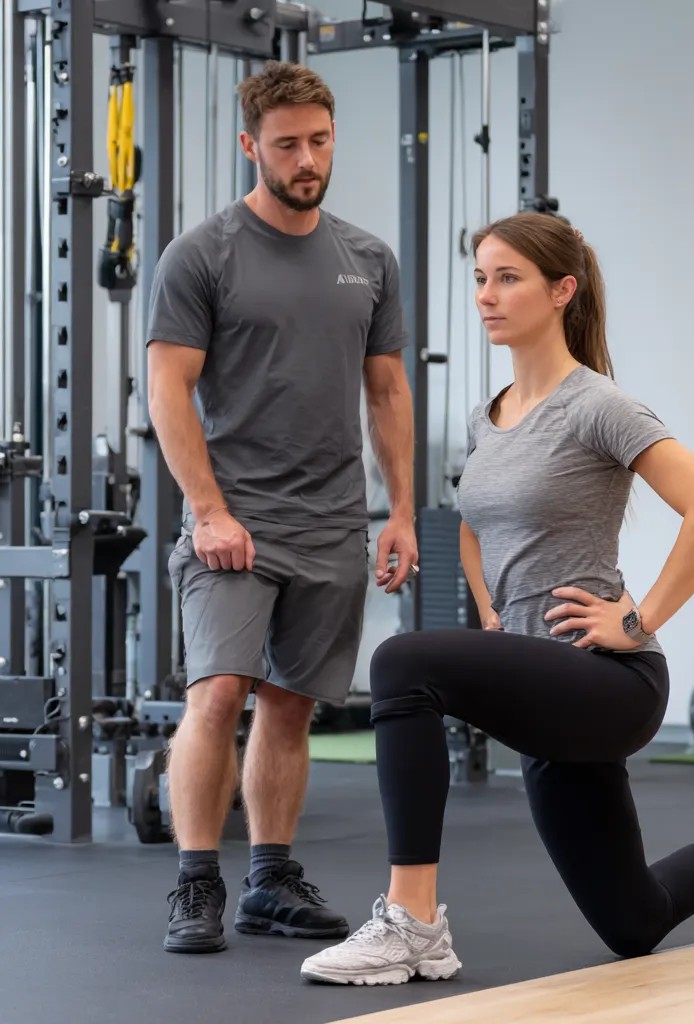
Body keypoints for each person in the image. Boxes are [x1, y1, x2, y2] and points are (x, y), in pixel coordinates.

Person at [298, 212, 694, 986]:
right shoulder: (489, 418)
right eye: (480, 277)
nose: (486, 295)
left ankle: (413, 924)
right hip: (542, 685)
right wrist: (490, 618)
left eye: (507, 278)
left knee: (402, 661)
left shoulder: (598, 406)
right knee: (633, 922)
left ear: (561, 291)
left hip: (606, 680)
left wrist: (636, 618)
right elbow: (475, 526)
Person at [146, 61, 417, 955]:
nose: (307, 159)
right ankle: (195, 882)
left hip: (333, 519)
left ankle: (269, 879)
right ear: (250, 147)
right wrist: (208, 510)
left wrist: (403, 513)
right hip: (234, 522)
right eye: (288, 144)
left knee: (294, 705)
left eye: (320, 141)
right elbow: (168, 391)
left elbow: (386, 392)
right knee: (219, 691)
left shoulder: (368, 258)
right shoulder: (202, 254)